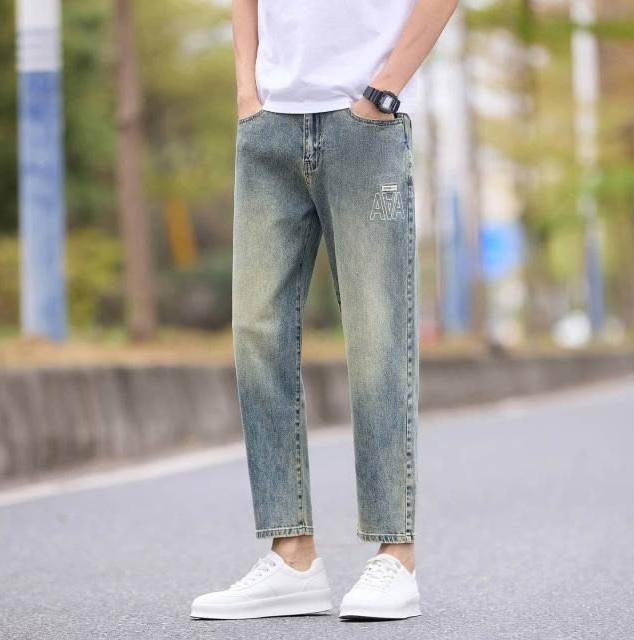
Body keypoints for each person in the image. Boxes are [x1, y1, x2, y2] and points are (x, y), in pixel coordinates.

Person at [191, 0, 458, 621]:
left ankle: (395, 557)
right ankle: (292, 559)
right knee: (256, 333)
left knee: (377, 336)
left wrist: (383, 91)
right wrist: (246, 91)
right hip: (269, 126)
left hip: (364, 122)